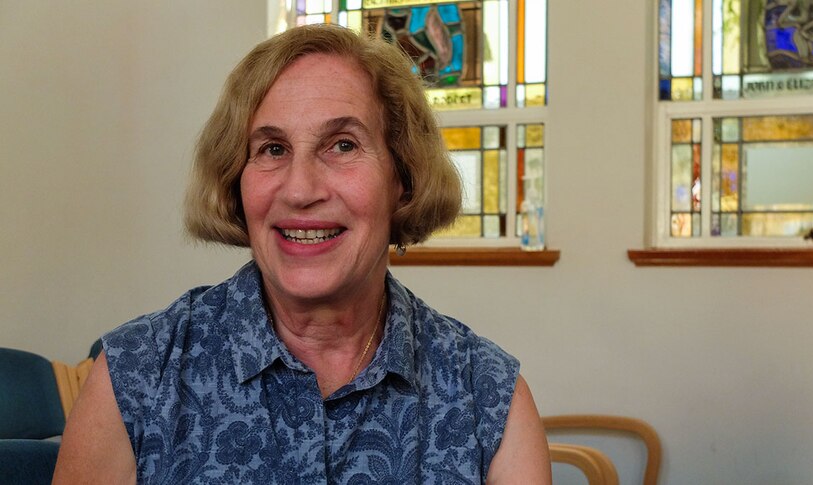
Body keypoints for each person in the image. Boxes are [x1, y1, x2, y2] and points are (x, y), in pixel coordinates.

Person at [53, 24, 551, 484]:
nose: (300, 190)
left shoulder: (489, 399)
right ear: (236, 181)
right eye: (272, 149)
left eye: (342, 145)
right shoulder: (133, 379)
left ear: (403, 179)